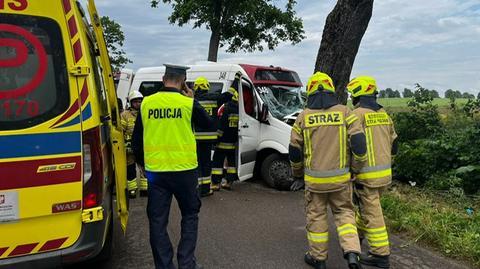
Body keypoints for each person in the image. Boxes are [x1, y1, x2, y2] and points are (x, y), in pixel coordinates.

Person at [132, 64, 212, 269]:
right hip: (185, 172)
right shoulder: (187, 103)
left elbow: (137, 139)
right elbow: (209, 124)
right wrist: (192, 99)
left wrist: (142, 164)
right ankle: (186, 263)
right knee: (190, 216)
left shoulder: (147, 103)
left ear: (163, 78)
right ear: (183, 81)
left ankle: (164, 265)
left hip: (156, 174)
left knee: (158, 222)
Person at [289, 72, 367, 269]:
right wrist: (355, 170)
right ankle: (351, 253)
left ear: (310, 92)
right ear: (332, 90)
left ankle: (319, 259)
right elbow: (359, 147)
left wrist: (298, 175)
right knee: (345, 214)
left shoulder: (303, 117)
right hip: (341, 181)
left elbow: (294, 151)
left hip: (314, 183)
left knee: (316, 217)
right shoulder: (346, 113)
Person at [346, 76, 398, 269]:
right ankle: (357, 240)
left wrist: (352, 169)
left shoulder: (356, 115)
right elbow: (395, 144)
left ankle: (380, 254)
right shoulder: (384, 114)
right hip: (384, 175)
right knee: (367, 210)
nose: (351, 97)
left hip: (366, 176)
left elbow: (352, 146)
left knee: (373, 214)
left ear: (359, 94)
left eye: (353, 94)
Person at [211, 73, 241, 191]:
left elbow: (222, 125)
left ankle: (215, 184)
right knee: (231, 164)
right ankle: (229, 182)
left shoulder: (226, 109)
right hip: (232, 142)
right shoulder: (238, 110)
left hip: (222, 142)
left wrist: (216, 138)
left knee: (217, 163)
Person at [193, 76, 220, 197]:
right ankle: (206, 189)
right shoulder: (213, 99)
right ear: (207, 87)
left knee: (197, 163)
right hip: (209, 139)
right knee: (206, 163)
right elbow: (227, 96)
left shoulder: (191, 100)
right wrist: (236, 80)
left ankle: (197, 189)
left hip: (195, 138)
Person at [121, 91, 147, 198]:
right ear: (131, 103)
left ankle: (145, 189)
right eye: (135, 102)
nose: (138, 104)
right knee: (130, 169)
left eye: (140, 101)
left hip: (142, 146)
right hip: (129, 147)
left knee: (144, 168)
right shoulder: (124, 115)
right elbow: (121, 131)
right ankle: (132, 190)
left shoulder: (145, 112)